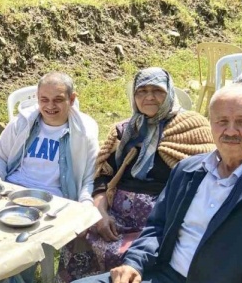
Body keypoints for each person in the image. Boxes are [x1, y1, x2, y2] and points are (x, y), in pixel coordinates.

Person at [77, 83, 242, 283]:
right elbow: (157, 226)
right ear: (210, 124)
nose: (230, 131)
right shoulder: (188, 170)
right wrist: (134, 263)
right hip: (164, 277)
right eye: (222, 121)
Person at [57, 68, 215, 282]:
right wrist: (100, 213)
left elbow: (204, 182)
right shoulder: (124, 131)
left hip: (158, 222)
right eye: (142, 91)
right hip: (114, 217)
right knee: (76, 239)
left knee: (124, 254)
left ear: (169, 93)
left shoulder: (191, 128)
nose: (149, 97)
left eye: (157, 90)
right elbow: (103, 176)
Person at [0, 72, 99, 283]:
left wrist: (85, 207)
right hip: (12, 194)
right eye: (44, 100)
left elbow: (88, 179)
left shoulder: (84, 133)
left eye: (58, 100)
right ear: (37, 99)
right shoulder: (23, 123)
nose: (50, 106)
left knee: (22, 246)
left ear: (72, 99)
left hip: (52, 205)